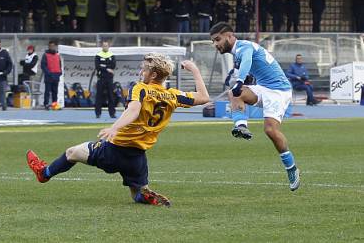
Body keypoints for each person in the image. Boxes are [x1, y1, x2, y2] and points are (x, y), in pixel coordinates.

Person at [26, 53, 210, 206]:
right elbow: (204, 97)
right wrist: (194, 70)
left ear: (153, 75)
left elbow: (133, 109)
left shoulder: (141, 88)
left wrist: (114, 127)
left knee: (71, 153)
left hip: (115, 149)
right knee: (136, 194)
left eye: (144, 69)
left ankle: (44, 174)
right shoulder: (173, 95)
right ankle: (143, 196)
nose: (141, 71)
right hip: (138, 156)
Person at [209, 22, 300, 191]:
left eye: (217, 39)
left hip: (279, 91)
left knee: (270, 130)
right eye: (213, 41)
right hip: (265, 88)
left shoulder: (244, 47)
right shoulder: (237, 53)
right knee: (233, 93)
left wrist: (240, 81)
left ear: (230, 36)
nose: (215, 44)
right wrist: (238, 84)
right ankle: (241, 126)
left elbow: (247, 62)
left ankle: (291, 168)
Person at [94, 41, 116, 118]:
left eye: (106, 46)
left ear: (108, 46)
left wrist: (103, 66)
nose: (105, 47)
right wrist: (107, 68)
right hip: (101, 78)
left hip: (109, 79)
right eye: (104, 46)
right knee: (99, 96)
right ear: (102, 46)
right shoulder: (98, 55)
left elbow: (113, 65)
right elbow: (97, 66)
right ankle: (98, 113)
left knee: (111, 96)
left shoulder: (112, 55)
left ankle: (112, 113)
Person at [41, 41, 62, 110]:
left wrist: (60, 72)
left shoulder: (58, 55)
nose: (52, 47)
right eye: (50, 46)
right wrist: (48, 73)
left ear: (55, 47)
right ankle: (46, 104)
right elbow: (43, 66)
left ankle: (54, 104)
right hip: (49, 76)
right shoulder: (45, 55)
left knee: (55, 91)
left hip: (56, 75)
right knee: (47, 91)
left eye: (53, 46)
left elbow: (59, 64)